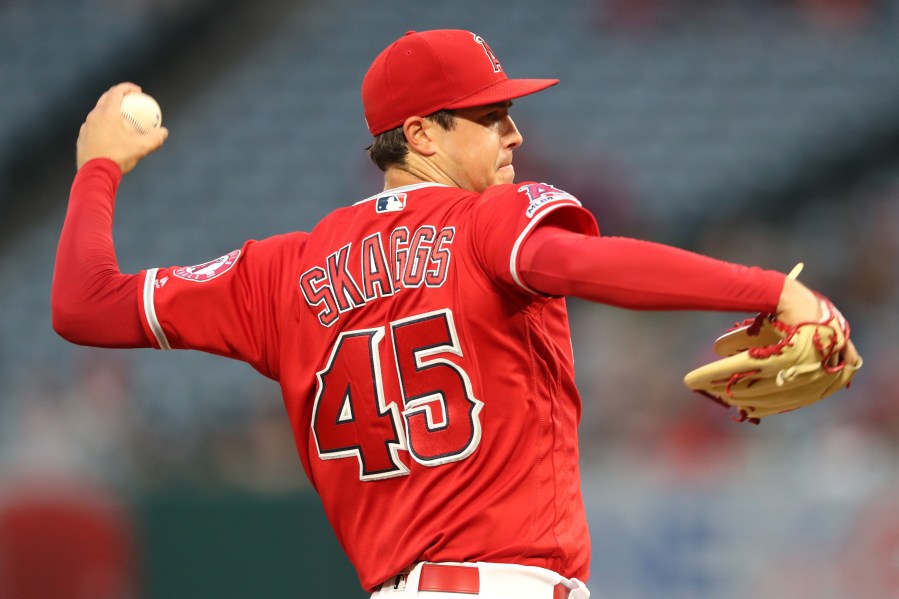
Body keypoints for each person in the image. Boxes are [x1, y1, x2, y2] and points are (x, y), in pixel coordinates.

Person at [52, 29, 859, 599]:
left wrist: (96, 170)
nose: (513, 131)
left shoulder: (278, 271)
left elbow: (85, 305)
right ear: (418, 135)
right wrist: (772, 290)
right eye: (486, 116)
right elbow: (585, 262)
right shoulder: (489, 221)